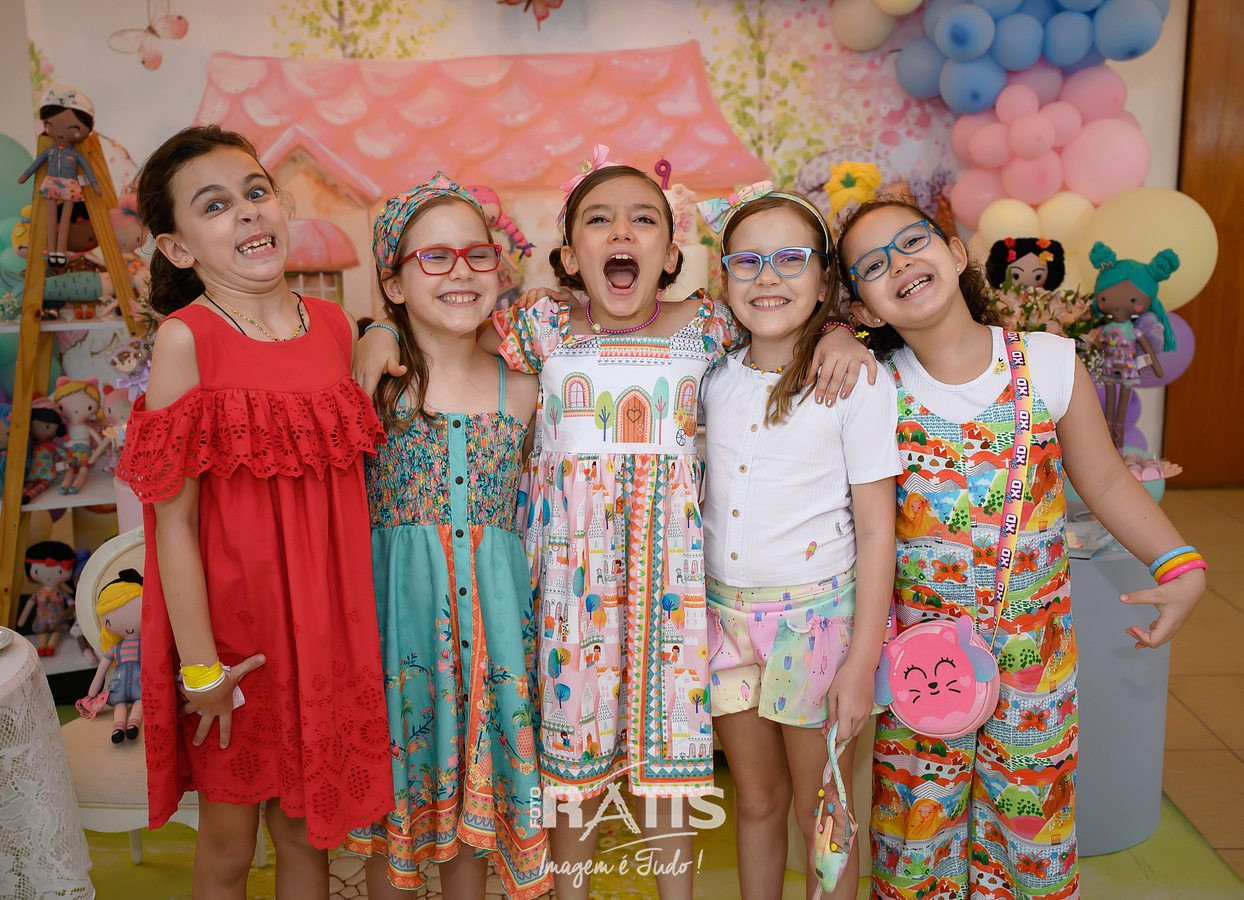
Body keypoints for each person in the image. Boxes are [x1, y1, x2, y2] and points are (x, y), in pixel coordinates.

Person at [835, 197, 1206, 899]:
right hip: (922, 670)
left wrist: (1180, 563)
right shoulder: (875, 389)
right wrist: (835, 339)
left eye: (912, 242)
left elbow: (1105, 481)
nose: (900, 265)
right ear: (864, 309)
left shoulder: (1049, 362)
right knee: (917, 844)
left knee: (1027, 840)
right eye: (872, 266)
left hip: (1035, 670)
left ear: (955, 252)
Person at [116, 125, 392, 898]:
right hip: (235, 644)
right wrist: (202, 667)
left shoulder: (332, 327)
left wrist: (379, 333)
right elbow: (173, 522)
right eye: (214, 206)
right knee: (230, 845)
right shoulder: (186, 340)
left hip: (324, 634)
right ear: (177, 248)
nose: (245, 212)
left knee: (307, 834)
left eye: (256, 192)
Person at [342, 174, 551, 899]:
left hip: (496, 639)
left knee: (476, 819)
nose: (460, 271)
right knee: (395, 816)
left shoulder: (525, 389)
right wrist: (373, 333)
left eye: (476, 253)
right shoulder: (369, 387)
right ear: (392, 284)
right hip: (399, 642)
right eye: (434, 257)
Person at [698, 186, 899, 899]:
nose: (768, 277)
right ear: (723, 277)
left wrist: (861, 661)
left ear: (823, 280)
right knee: (755, 799)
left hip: (816, 627)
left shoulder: (855, 381)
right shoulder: (711, 376)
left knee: (825, 813)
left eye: (790, 259)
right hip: (724, 621)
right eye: (747, 261)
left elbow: (877, 529)